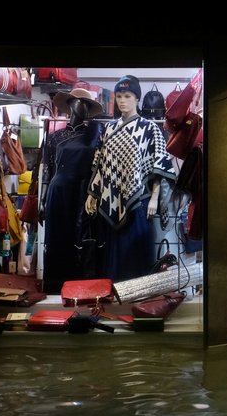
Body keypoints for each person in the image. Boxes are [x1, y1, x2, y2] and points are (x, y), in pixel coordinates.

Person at [85, 75, 176, 281]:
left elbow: (159, 165)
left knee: (137, 255)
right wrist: (93, 193)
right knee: (113, 255)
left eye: (127, 95)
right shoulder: (108, 128)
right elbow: (100, 163)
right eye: (118, 96)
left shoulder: (150, 128)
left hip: (139, 202)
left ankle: (139, 298)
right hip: (111, 200)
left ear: (137, 98)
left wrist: (154, 197)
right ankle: (114, 297)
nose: (122, 100)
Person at [39, 88, 104, 292]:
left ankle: (83, 288)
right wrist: (42, 197)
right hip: (59, 192)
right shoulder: (55, 137)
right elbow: (47, 168)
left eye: (88, 105)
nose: (84, 108)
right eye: (80, 103)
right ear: (70, 105)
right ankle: (55, 287)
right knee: (58, 239)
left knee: (83, 239)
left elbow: (100, 165)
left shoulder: (95, 134)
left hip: (84, 191)